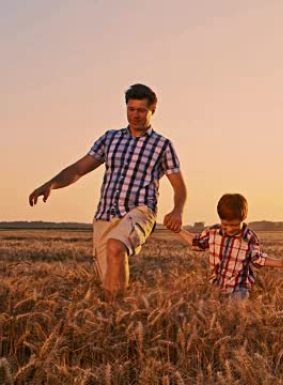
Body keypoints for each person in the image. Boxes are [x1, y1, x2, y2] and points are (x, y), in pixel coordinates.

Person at [28, 84, 187, 301]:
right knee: (109, 286)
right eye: (131, 109)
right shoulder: (110, 138)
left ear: (153, 111)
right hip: (105, 215)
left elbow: (179, 185)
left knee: (116, 246)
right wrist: (51, 184)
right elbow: (78, 169)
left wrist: (177, 210)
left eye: (141, 110)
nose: (135, 115)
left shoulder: (162, 145)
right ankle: (117, 320)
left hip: (140, 211)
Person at [176, 194, 283, 299]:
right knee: (209, 310)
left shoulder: (249, 238)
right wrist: (178, 230)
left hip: (238, 289)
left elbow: (258, 259)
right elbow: (197, 242)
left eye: (234, 225)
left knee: (235, 310)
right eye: (225, 225)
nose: (229, 229)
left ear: (242, 219)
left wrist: (281, 264)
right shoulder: (213, 232)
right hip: (216, 287)